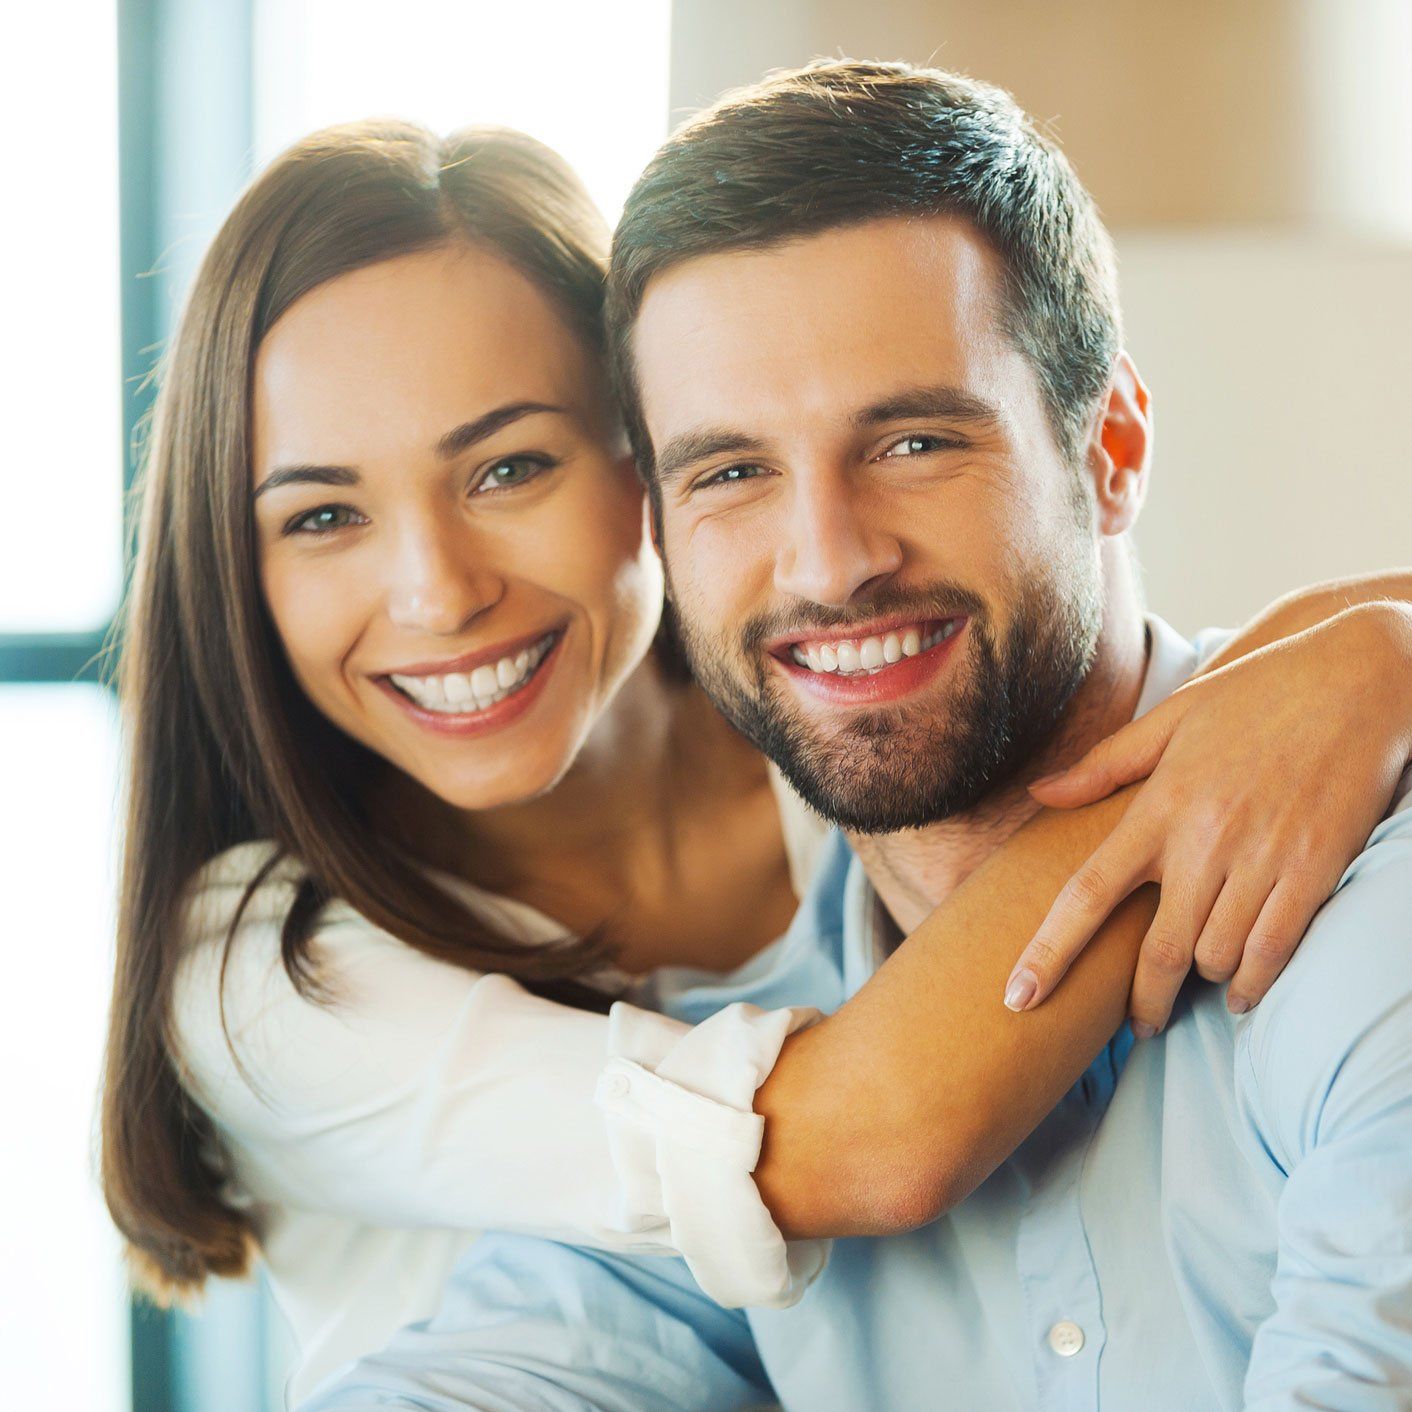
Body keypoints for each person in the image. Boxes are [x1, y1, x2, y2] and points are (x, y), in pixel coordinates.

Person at [303, 62, 1412, 1412]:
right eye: (731, 471)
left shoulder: (1372, 917)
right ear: (656, 523)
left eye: (912, 443)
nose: (829, 562)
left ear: (1108, 445)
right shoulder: (742, 1106)